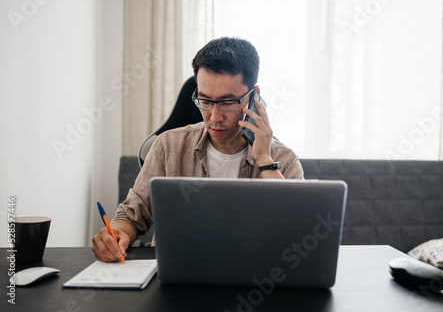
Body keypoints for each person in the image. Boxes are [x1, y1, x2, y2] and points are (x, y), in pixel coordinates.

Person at [92, 37, 304, 262]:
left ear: (254, 96)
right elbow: (131, 217)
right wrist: (117, 235)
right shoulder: (168, 146)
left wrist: (263, 158)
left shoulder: (284, 159)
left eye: (227, 102)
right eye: (204, 100)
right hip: (177, 277)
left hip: (255, 279)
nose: (214, 117)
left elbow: (297, 235)